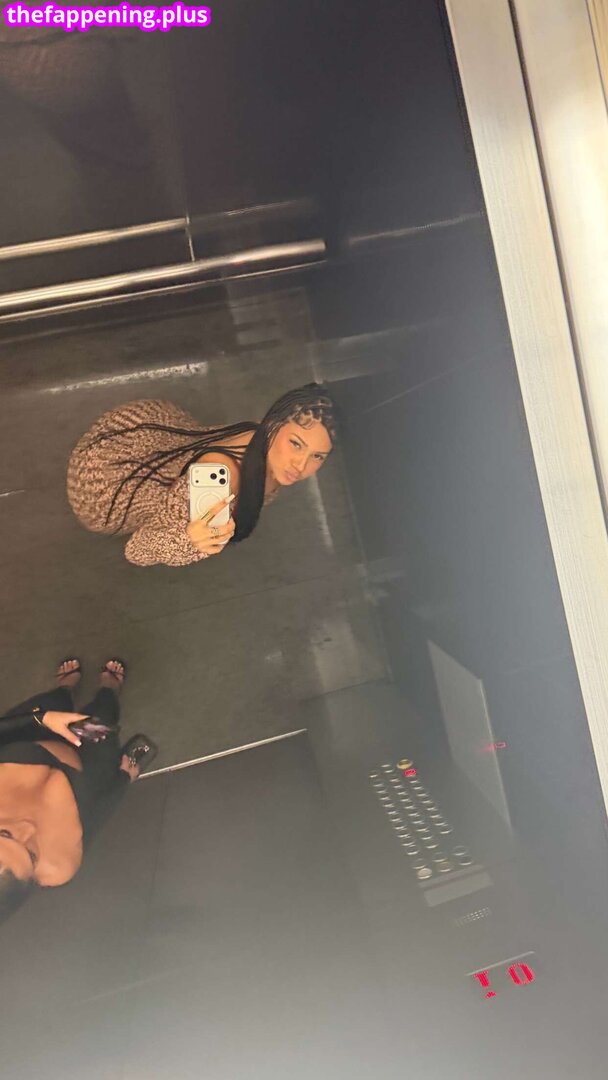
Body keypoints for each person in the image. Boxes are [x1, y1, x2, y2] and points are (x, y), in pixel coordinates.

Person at [67, 382, 338, 566]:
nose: (300, 465)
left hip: (152, 434)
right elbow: (137, 551)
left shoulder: (260, 434)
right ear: (274, 425)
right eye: (296, 444)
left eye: (317, 456)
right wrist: (188, 540)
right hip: (101, 488)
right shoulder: (217, 481)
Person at [0, 658, 157, 923]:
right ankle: (109, 689)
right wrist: (121, 782)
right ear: (33, 881)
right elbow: (92, 821)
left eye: (4, 833)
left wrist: (43, 719)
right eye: (31, 854)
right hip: (85, 768)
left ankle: (64, 690)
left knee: (52, 702)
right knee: (103, 717)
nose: (28, 828)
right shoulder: (58, 868)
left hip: (29, 734)